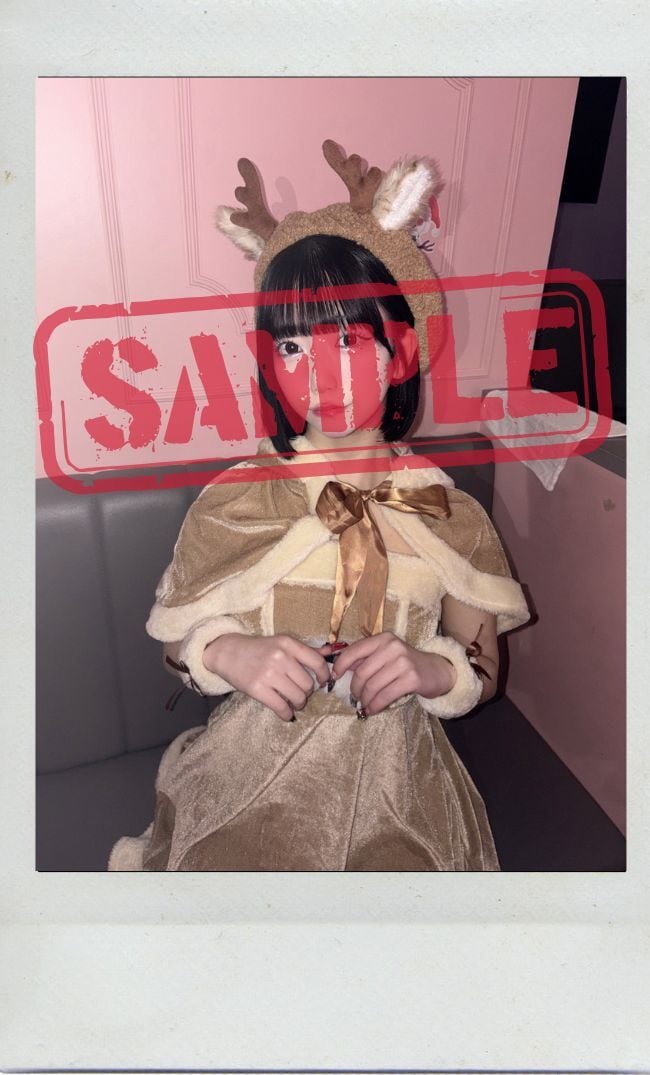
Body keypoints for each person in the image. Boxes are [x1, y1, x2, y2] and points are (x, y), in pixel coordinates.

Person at [108, 142, 530, 872]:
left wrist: (432, 670)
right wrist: (224, 651)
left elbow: (485, 669)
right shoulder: (235, 499)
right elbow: (174, 648)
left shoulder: (448, 512)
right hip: (245, 785)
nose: (319, 375)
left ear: (402, 352)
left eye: (348, 339)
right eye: (292, 346)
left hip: (402, 794)